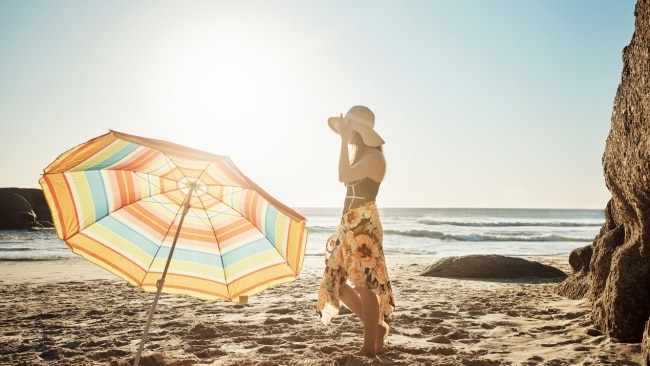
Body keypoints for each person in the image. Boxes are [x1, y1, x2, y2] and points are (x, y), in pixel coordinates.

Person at [317, 105, 395, 357]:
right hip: (348, 224)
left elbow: (343, 176)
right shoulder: (361, 157)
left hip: (364, 226)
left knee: (364, 285)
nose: (347, 136)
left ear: (360, 132)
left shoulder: (374, 158)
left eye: (349, 131)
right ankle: (378, 329)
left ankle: (369, 347)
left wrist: (342, 143)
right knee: (335, 282)